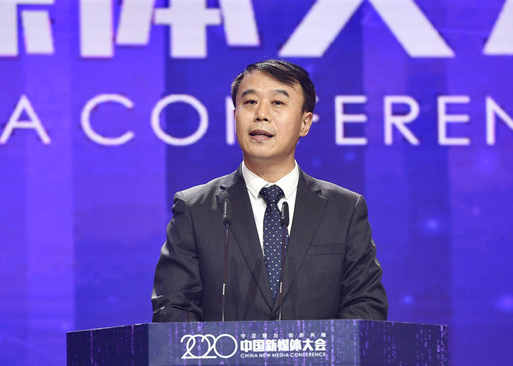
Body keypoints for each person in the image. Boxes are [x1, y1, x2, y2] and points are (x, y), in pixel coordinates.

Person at [152, 60, 387, 322]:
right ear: (235, 116)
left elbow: (367, 305)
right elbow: (173, 309)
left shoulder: (344, 210)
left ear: (305, 123)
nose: (261, 114)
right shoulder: (195, 209)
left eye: (277, 102)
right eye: (250, 102)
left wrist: (319, 346)